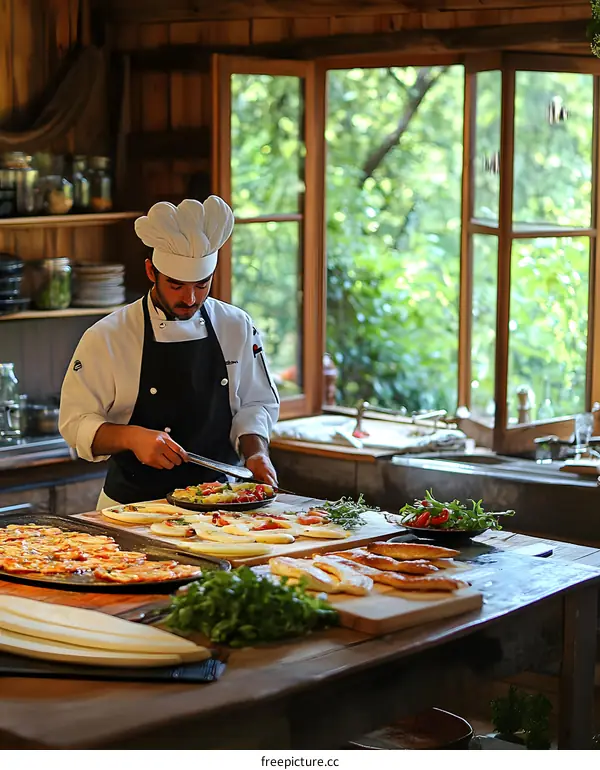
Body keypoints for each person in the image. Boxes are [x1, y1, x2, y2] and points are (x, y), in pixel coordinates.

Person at [59, 196, 280, 508]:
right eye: (176, 285)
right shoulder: (108, 336)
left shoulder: (236, 326)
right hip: (132, 508)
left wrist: (256, 452)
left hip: (220, 505)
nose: (190, 298)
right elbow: (74, 423)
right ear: (151, 271)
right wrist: (132, 437)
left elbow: (256, 402)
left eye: (202, 285)